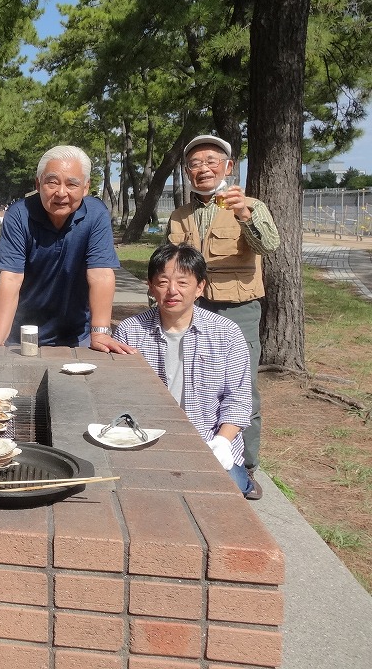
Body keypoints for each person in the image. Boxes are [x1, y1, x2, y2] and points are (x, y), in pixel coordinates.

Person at [167, 134, 280, 498]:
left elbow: (269, 245)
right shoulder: (180, 215)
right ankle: (194, 451)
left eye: (211, 162)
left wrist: (244, 214)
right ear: (188, 172)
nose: (203, 169)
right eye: (194, 164)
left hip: (237, 309)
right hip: (192, 309)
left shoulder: (251, 206)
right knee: (189, 380)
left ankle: (245, 466)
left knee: (242, 387)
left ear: (228, 167)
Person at [113, 243, 257, 498]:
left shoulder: (227, 333)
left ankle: (244, 480)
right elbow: (119, 395)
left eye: (182, 282)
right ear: (150, 286)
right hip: (149, 438)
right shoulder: (129, 331)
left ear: (200, 287)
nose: (172, 291)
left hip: (209, 439)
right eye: (163, 282)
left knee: (226, 494)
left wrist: (222, 441)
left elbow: (239, 400)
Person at [0, 145, 135, 353]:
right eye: (52, 182)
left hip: (78, 332)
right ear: (38, 184)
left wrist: (100, 332)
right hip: (23, 331)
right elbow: (11, 277)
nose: (61, 193)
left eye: (72, 184)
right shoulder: (19, 215)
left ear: (86, 187)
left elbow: (101, 274)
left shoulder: (96, 214)